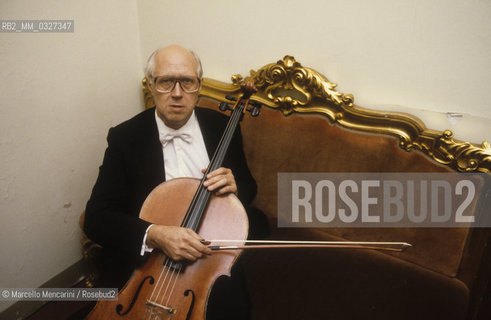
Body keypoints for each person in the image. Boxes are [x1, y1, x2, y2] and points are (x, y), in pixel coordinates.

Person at [84, 45, 267, 319]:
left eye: (187, 82)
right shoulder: (125, 137)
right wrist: (156, 234)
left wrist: (236, 186)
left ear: (199, 86)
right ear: (150, 86)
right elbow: (96, 218)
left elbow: (249, 189)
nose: (178, 93)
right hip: (149, 264)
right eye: (166, 81)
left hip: (208, 259)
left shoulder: (222, 126)